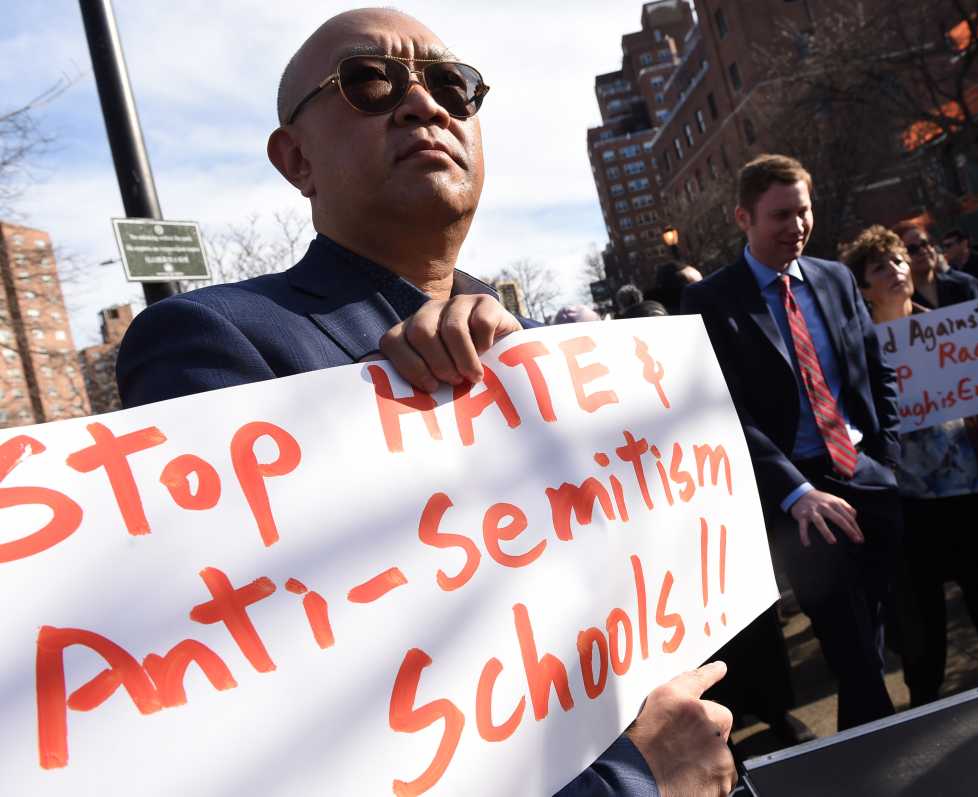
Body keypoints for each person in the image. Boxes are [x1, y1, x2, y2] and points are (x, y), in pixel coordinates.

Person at [116, 9, 736, 795]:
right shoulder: (211, 343)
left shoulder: (546, 353)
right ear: (296, 158)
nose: (423, 103)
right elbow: (294, 728)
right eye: (369, 81)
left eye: (451, 84)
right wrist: (635, 779)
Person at [683, 154, 904, 731]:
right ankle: (880, 751)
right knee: (849, 643)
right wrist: (796, 491)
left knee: (876, 631)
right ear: (744, 218)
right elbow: (723, 412)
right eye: (781, 215)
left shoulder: (835, 278)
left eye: (803, 211)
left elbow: (873, 369)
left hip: (866, 474)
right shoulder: (710, 303)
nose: (797, 226)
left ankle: (864, 743)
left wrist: (886, 455)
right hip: (797, 499)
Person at [841, 225, 978, 706]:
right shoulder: (856, 352)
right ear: (863, 287)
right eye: (880, 266)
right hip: (908, 508)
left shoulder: (954, 329)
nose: (896, 270)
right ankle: (925, 712)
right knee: (922, 634)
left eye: (899, 260)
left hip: (973, 493)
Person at [893, 222, 978, 308]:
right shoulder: (900, 302)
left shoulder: (966, 284)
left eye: (925, 244)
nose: (923, 251)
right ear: (899, 258)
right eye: (912, 249)